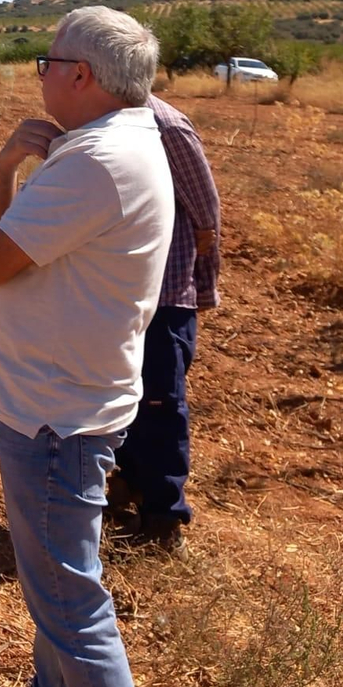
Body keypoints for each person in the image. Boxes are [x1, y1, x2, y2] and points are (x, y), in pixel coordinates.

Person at [0, 6, 173, 687]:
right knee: (54, 594)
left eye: (48, 64)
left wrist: (6, 172)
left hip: (55, 417)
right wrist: (8, 166)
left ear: (80, 75)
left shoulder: (95, 160)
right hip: (59, 403)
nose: (42, 76)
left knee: (72, 609)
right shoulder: (117, 142)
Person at [106, 92, 221, 555]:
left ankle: (163, 520)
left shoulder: (167, 127)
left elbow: (206, 218)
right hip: (118, 296)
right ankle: (126, 488)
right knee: (121, 398)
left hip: (166, 298)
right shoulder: (100, 122)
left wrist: (202, 290)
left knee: (158, 406)